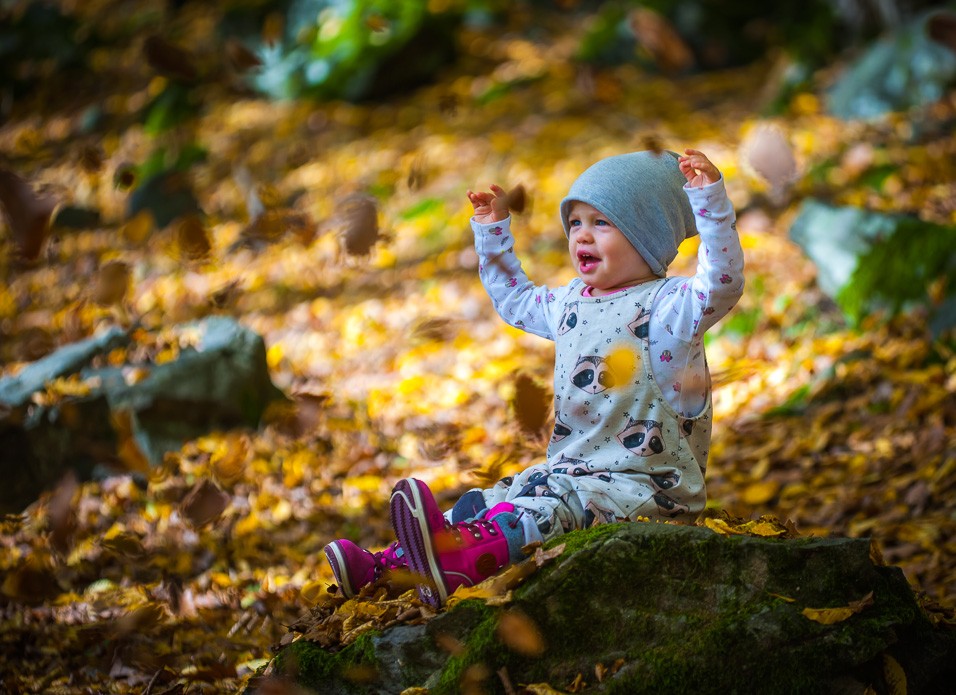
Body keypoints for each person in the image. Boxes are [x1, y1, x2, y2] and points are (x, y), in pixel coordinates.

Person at [327, 148, 744, 607]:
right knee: (492, 498)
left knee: (546, 510)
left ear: (648, 236)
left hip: (644, 492)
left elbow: (722, 280)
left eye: (602, 223)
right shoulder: (570, 303)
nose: (582, 235)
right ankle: (394, 566)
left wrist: (709, 201)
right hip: (572, 473)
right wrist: (491, 232)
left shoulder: (670, 309)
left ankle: (462, 563)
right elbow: (514, 299)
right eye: (575, 223)